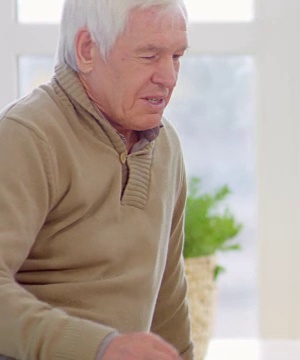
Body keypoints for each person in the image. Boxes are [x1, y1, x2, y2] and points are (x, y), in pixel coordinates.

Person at [0, 0, 192, 359]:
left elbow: (168, 298)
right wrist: (100, 349)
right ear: (87, 50)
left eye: (177, 56)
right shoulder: (26, 135)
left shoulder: (166, 145)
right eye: (149, 56)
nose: (168, 76)